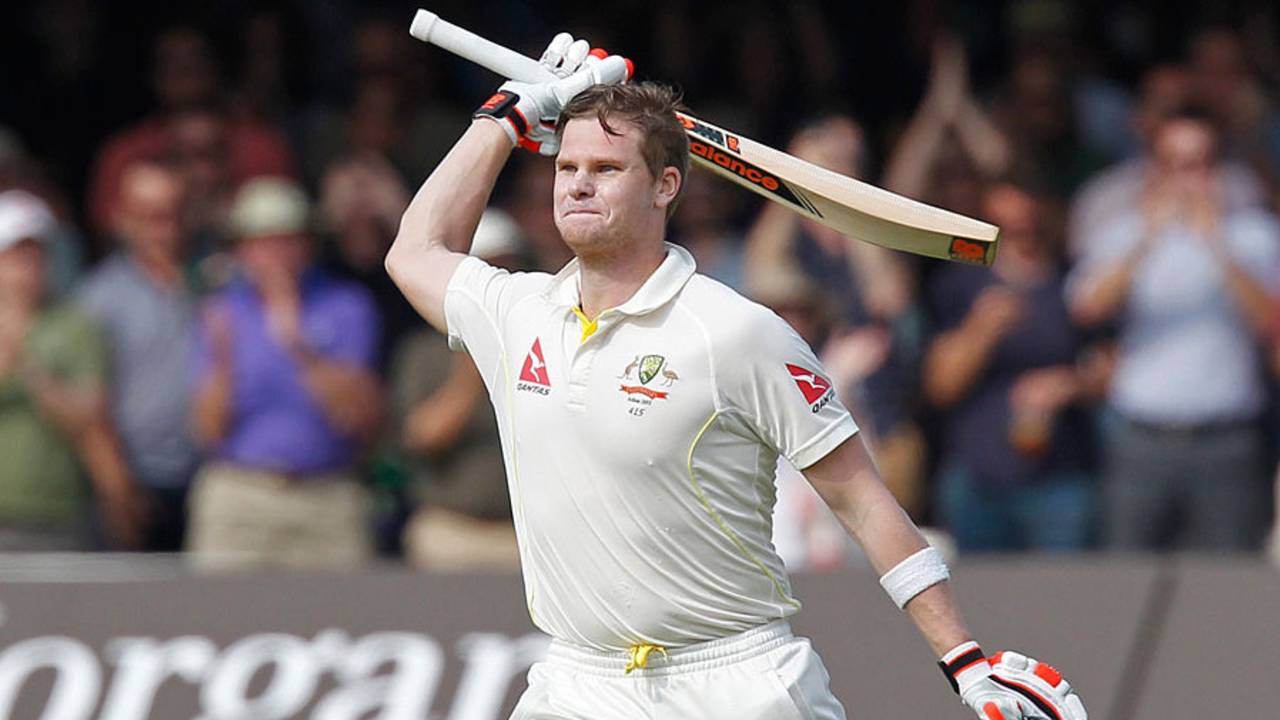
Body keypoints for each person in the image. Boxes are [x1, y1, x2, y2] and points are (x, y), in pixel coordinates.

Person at [385, 35, 1086, 720]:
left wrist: (964, 660)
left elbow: (865, 502)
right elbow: (413, 251)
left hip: (735, 679)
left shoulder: (737, 332)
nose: (578, 185)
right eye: (567, 168)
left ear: (666, 186)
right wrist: (506, 117)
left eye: (605, 168)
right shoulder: (518, 311)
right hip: (578, 679)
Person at [1069, 108, 1280, 551]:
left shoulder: (1255, 235)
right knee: (1126, 574)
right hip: (1140, 436)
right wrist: (1147, 238)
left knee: (1229, 583)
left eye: (1199, 163)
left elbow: (1270, 321)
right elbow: (1087, 307)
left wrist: (1217, 242)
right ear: (1153, 168)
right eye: (1174, 164)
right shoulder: (1123, 234)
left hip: (1228, 440)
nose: (1187, 177)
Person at [187, 178, 382, 569]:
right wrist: (224, 361)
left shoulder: (346, 306)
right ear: (241, 250)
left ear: (308, 245)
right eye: (261, 242)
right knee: (223, 622)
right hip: (240, 493)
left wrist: (297, 341)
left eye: (286, 240)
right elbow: (207, 430)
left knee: (342, 622)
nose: (274, 254)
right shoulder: (222, 313)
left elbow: (358, 418)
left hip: (327, 496)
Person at [924, 181, 1097, 552]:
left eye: (1030, 227)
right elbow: (940, 388)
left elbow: (1111, 367)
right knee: (981, 598)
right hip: (979, 473)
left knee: (1062, 594)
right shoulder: (962, 285)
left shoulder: (1075, 282)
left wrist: (1070, 385)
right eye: (1008, 230)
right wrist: (981, 331)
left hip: (1060, 476)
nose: (1023, 240)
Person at [0, 190, 145, 550]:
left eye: (35, 254)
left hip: (59, 514)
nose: (25, 267)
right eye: (14, 255)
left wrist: (26, 365)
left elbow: (89, 418)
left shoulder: (75, 326)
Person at [76, 162, 201, 551]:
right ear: (122, 219)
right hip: (134, 480)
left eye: (172, 213)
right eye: (149, 216)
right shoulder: (98, 298)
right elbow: (91, 406)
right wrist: (118, 489)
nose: (164, 228)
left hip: (210, 480)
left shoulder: (217, 283)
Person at [392, 209, 524, 571]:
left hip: (531, 533)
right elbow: (422, 438)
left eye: (506, 265)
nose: (497, 278)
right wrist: (476, 359)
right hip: (451, 529)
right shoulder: (423, 350)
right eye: (485, 267)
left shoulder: (545, 339)